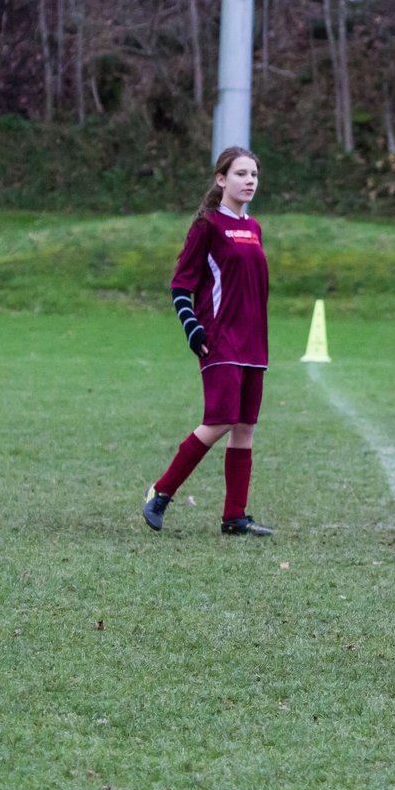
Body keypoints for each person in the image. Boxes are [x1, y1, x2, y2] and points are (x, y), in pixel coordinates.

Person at [142, 146, 274, 537]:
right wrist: (193, 328)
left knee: (245, 426)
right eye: (240, 174)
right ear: (221, 180)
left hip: (254, 344)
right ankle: (160, 492)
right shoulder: (207, 226)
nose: (249, 181)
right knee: (218, 421)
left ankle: (235, 516)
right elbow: (181, 284)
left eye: (254, 175)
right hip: (219, 341)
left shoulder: (254, 228)